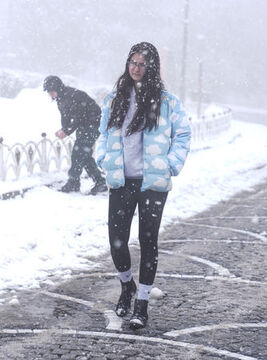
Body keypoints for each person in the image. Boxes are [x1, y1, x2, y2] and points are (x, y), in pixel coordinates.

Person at [95, 42, 191, 329]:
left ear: (151, 68)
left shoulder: (167, 102)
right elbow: (102, 135)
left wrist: (170, 164)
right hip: (121, 181)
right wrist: (103, 158)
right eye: (132, 62)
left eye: (141, 64)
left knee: (148, 242)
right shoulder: (115, 99)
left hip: (152, 183)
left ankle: (142, 304)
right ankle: (127, 287)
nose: (136, 68)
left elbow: (183, 135)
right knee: (117, 242)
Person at [43, 75, 107, 194]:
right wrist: (63, 129)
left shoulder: (71, 96)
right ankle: (100, 182)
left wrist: (66, 131)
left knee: (78, 154)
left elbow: (77, 116)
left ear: (57, 88)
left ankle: (73, 182)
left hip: (92, 125)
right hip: (85, 126)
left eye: (50, 91)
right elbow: (67, 117)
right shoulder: (62, 98)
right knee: (84, 155)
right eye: (48, 91)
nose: (49, 94)